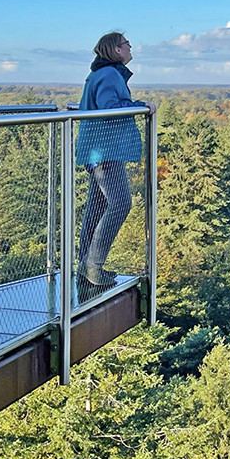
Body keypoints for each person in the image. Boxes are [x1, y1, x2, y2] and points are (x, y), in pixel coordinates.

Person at [74, 32, 155, 286]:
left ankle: (84, 268)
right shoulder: (109, 74)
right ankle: (93, 267)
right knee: (120, 204)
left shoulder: (101, 74)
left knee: (97, 208)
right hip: (105, 150)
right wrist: (141, 105)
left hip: (98, 150)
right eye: (127, 44)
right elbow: (110, 109)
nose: (131, 47)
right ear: (116, 50)